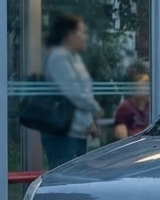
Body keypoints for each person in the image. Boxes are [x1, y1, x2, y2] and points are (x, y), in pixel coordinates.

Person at [42, 13, 102, 169]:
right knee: (65, 179)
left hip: (76, 131)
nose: (85, 37)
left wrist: (90, 121)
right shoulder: (59, 57)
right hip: (63, 133)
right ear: (69, 35)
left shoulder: (73, 57)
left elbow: (83, 91)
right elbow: (74, 92)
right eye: (81, 32)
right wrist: (95, 108)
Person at [113, 65, 151, 139]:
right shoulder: (125, 108)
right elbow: (121, 138)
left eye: (147, 84)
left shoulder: (152, 106)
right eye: (142, 85)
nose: (146, 88)